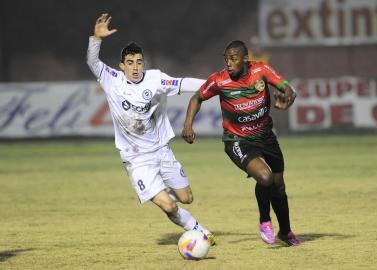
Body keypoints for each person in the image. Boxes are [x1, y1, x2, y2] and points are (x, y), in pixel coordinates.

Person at [86, 13, 215, 245]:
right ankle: (200, 231)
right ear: (121, 66)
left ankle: (159, 190)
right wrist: (96, 39)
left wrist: (215, 85)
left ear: (143, 63)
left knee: (187, 197)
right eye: (130, 63)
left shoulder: (155, 79)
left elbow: (183, 83)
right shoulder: (111, 79)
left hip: (161, 151)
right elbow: (93, 63)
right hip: (136, 159)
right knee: (169, 206)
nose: (135, 68)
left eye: (139, 62)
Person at [182, 40, 300, 246]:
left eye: (233, 58)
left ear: (245, 59)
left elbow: (288, 89)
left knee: (279, 186)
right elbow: (196, 98)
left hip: (266, 136)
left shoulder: (261, 70)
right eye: (226, 58)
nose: (228, 63)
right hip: (238, 140)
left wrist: (286, 100)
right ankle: (265, 221)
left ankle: (286, 232)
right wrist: (188, 125)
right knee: (265, 177)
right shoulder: (219, 80)